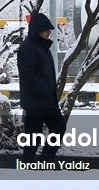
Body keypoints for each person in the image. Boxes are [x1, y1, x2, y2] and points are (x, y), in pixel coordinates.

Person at [17, 12, 67, 160]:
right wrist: (42, 90)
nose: (49, 32)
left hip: (46, 100)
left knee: (58, 128)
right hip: (36, 101)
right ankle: (30, 163)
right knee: (34, 135)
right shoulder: (29, 47)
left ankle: (44, 161)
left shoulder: (42, 46)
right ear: (38, 30)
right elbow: (27, 73)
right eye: (46, 29)